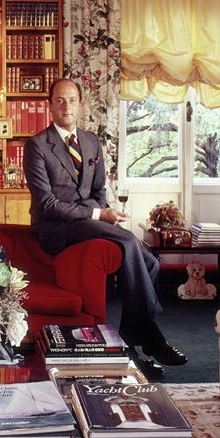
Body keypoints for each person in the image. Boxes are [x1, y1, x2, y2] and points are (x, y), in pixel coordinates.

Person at [23, 76, 187, 377]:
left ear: (80, 105)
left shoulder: (90, 141)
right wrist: (98, 215)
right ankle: (150, 338)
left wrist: (96, 212)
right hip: (56, 228)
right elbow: (47, 204)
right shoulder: (37, 146)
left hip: (88, 222)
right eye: (60, 100)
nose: (66, 106)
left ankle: (134, 341)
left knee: (150, 259)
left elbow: (99, 190)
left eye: (72, 100)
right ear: (50, 106)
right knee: (130, 242)